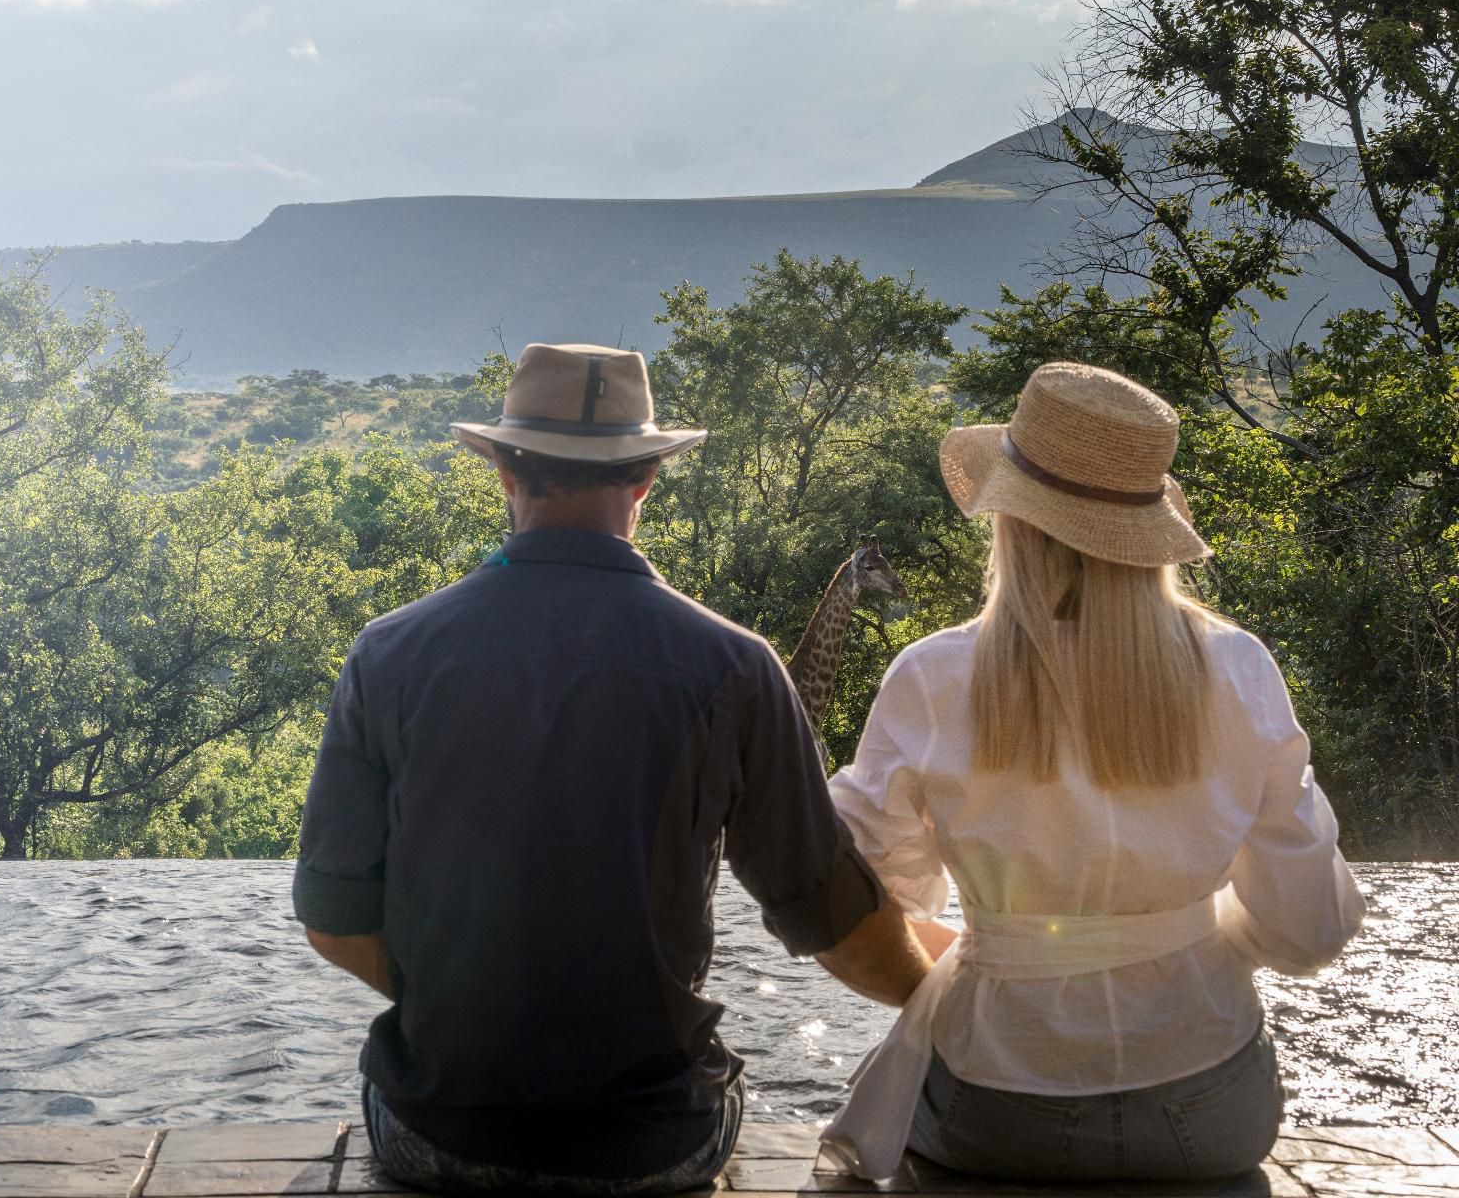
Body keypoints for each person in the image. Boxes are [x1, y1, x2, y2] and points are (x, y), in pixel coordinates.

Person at [291, 342, 930, 1196]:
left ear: (505, 470)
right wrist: (955, 1008)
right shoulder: (737, 666)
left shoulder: (389, 654)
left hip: (435, 1133)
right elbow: (836, 924)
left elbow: (334, 920)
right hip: (653, 1145)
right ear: (646, 479)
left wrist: (464, 993)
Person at [820, 362, 1365, 1183]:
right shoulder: (1240, 670)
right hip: (1211, 1108)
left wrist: (997, 958)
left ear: (1011, 517)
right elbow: (1309, 931)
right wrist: (1192, 933)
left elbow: (865, 896)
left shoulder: (933, 678)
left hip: (997, 1107)